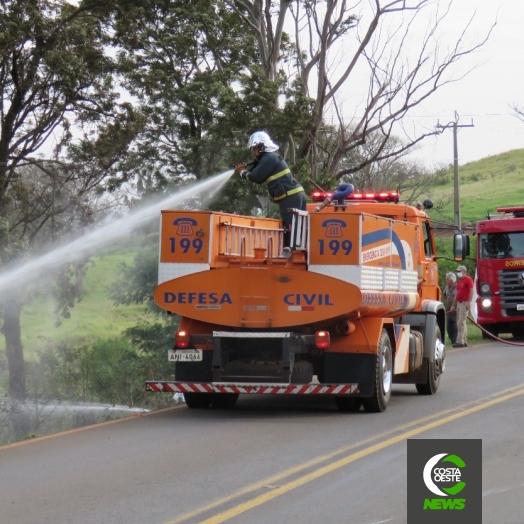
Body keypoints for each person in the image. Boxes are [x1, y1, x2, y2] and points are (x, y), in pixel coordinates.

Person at [235, 131, 307, 248]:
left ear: (261, 147)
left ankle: (293, 252)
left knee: (290, 225)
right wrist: (253, 165)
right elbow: (258, 170)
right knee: (298, 224)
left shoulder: (269, 158)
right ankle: (299, 249)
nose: (254, 151)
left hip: (290, 196)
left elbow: (256, 177)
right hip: (294, 195)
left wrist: (242, 172)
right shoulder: (269, 158)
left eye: (254, 149)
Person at [450, 265, 474, 348]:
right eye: (457, 271)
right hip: (459, 303)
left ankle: (460, 341)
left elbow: (471, 290)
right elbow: (457, 294)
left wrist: (469, 301)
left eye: (459, 271)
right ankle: (464, 340)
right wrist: (453, 305)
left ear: (464, 272)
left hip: (465, 302)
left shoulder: (468, 279)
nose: (458, 273)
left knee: (461, 322)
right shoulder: (460, 282)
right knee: (460, 322)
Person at [442, 272, 458, 345]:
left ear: (452, 280)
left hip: (456, 310)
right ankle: (452, 341)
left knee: (456, 326)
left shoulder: (458, 287)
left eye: (447, 279)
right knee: (449, 327)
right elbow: (444, 295)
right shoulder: (446, 287)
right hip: (448, 310)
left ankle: (456, 341)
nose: (446, 280)